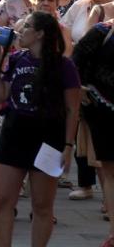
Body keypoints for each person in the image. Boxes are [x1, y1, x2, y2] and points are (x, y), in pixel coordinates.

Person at [0, 11, 81, 247]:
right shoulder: (17, 58)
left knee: (41, 205)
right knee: (1, 200)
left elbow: (72, 109)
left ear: (39, 33)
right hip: (14, 133)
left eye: (26, 26)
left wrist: (68, 145)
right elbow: (1, 95)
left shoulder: (64, 66)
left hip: (48, 138)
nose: (20, 30)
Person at [71, 13, 114, 247]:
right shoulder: (101, 32)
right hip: (104, 112)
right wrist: (83, 92)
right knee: (111, 171)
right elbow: (75, 64)